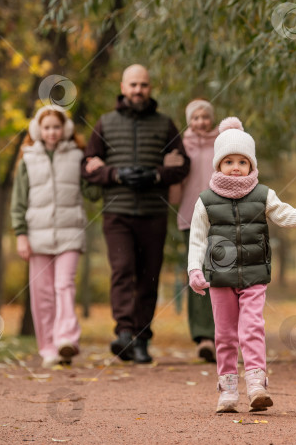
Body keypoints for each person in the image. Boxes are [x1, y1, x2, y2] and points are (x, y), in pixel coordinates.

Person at [187, 117, 296, 413]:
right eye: (229, 161)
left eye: (242, 162)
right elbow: (197, 239)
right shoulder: (205, 200)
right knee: (224, 334)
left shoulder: (263, 194)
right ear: (218, 166)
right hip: (219, 279)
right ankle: (228, 390)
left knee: (252, 328)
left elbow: (284, 215)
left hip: (254, 276)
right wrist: (195, 269)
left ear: (252, 165)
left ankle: (257, 385)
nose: (236, 167)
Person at [81, 64, 190, 364]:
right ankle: (124, 334)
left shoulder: (166, 125)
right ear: (123, 86)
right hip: (117, 213)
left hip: (154, 213)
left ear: (150, 88)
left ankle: (142, 339)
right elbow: (87, 167)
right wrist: (116, 175)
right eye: (133, 85)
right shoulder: (105, 123)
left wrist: (155, 175)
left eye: (143, 84)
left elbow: (183, 165)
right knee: (122, 270)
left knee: (148, 277)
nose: (138, 90)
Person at [11, 104, 97, 368]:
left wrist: (95, 172)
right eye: (47, 127)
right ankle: (48, 348)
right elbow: (18, 201)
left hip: (70, 234)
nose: (52, 132)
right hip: (36, 236)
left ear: (65, 129)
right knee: (42, 294)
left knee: (64, 286)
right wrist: (20, 235)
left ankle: (66, 340)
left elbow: (92, 194)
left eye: (56, 127)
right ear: (39, 129)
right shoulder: (27, 158)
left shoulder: (77, 155)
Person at [170, 99, 220, 362]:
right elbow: (175, 190)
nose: (201, 122)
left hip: (220, 217)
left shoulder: (223, 143)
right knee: (198, 274)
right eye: (196, 117)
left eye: (205, 117)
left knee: (221, 273)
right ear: (189, 120)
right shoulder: (181, 146)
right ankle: (203, 337)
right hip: (191, 218)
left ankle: (222, 335)